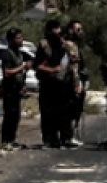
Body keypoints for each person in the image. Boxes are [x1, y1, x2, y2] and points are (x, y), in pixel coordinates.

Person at [34, 19, 79, 149]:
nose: (58, 32)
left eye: (59, 29)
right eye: (55, 29)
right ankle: (49, 140)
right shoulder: (44, 46)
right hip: (48, 85)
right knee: (48, 113)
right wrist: (52, 70)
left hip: (63, 85)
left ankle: (65, 138)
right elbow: (38, 66)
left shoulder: (64, 45)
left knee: (64, 112)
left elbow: (73, 63)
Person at [0, 28, 31, 151]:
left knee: (16, 116)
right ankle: (5, 141)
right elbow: (7, 72)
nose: (20, 40)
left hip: (17, 89)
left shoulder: (19, 54)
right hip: (9, 90)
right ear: (11, 40)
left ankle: (12, 140)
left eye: (21, 37)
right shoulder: (7, 54)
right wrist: (22, 67)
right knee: (9, 116)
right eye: (18, 38)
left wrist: (23, 85)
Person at [65, 20, 88, 146]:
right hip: (72, 83)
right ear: (70, 30)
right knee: (72, 111)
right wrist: (76, 84)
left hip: (76, 81)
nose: (81, 32)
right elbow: (73, 68)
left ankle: (71, 135)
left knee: (76, 110)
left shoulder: (75, 45)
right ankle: (69, 136)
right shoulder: (69, 45)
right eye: (78, 29)